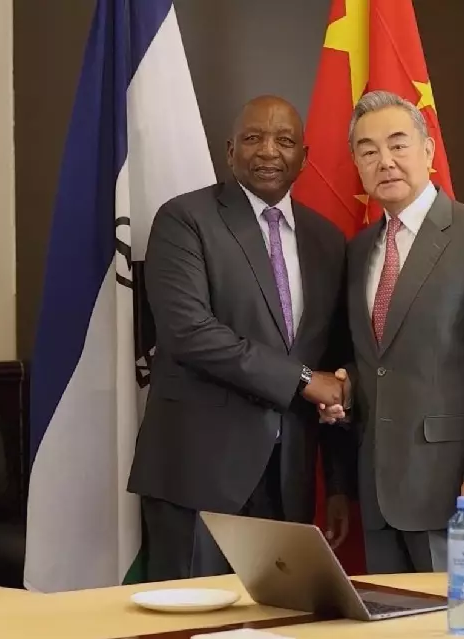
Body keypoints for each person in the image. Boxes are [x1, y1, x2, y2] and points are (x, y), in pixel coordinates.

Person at [127, 95, 355, 582]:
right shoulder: (185, 219)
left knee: (275, 614)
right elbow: (189, 333)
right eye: (254, 138)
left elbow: (333, 363)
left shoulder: (328, 241)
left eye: (284, 140)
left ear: (304, 158)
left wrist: (338, 484)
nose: (269, 151)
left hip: (288, 479)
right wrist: (301, 379)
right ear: (230, 152)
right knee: (194, 617)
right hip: (198, 474)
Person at [321, 90, 464, 574]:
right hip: (379, 490)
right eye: (368, 151)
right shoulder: (359, 251)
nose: (385, 161)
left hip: (458, 492)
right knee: (392, 615)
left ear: (428, 150)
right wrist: (345, 390)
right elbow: (379, 361)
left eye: (398, 144)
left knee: (459, 616)